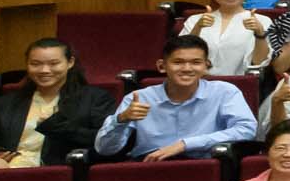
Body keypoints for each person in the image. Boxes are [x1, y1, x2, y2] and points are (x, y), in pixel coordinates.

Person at [97, 38, 260, 162]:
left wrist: (185, 144)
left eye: (196, 62)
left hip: (204, 167)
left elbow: (246, 130)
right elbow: (105, 150)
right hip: (150, 166)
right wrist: (121, 120)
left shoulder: (224, 92)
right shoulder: (139, 98)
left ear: (206, 66)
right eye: (178, 62)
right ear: (162, 66)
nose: (187, 69)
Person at [0, 38, 115, 169]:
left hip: (56, 172)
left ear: (70, 62)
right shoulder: (4, 103)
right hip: (8, 168)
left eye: (54, 64)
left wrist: (58, 127)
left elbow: (104, 141)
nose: (44, 70)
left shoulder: (94, 99)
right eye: (35, 64)